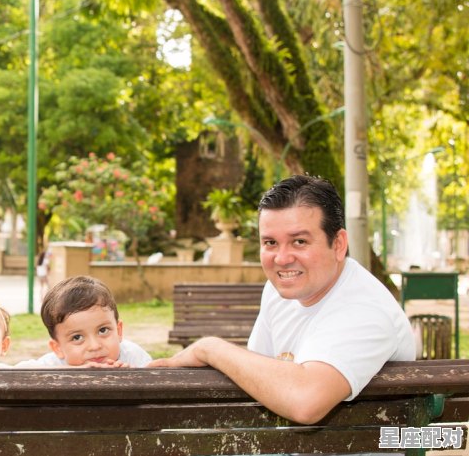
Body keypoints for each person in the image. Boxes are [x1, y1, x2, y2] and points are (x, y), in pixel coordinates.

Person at [149, 175, 415, 424]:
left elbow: (305, 402)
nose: (282, 258)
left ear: (338, 244)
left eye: (299, 241)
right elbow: (258, 373)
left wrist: (209, 348)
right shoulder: (279, 291)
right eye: (270, 243)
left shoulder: (365, 309)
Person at [17, 275, 152, 367]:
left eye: (103, 330)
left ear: (119, 330)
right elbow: (14, 373)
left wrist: (130, 380)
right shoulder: (52, 366)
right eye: (77, 337)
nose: (94, 346)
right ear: (57, 348)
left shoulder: (133, 358)